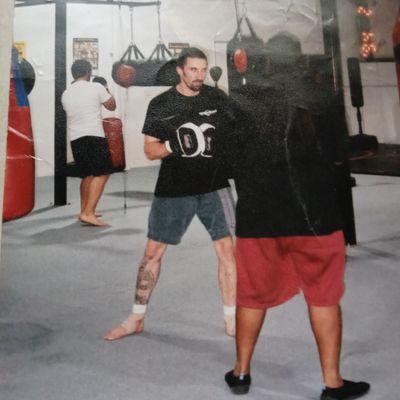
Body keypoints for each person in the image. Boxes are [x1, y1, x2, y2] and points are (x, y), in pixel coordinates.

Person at [222, 48, 370, 400]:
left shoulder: (240, 100)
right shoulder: (323, 98)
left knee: (251, 296)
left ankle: (240, 373)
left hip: (259, 217)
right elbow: (340, 156)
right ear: (300, 61)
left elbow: (228, 161)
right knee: (324, 297)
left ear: (264, 62)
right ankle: (332, 383)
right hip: (315, 217)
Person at [104, 47, 237, 340]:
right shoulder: (162, 104)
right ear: (179, 70)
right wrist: (172, 146)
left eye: (203, 70)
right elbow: (150, 150)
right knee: (153, 253)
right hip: (174, 187)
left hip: (214, 185)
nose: (199, 76)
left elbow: (236, 134)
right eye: (193, 70)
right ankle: (136, 317)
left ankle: (232, 318)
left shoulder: (217, 97)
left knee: (227, 252)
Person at [62, 60, 116, 226]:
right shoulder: (96, 87)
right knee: (103, 173)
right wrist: (105, 87)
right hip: (94, 136)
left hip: (76, 139)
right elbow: (112, 106)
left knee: (87, 175)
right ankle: (88, 213)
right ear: (88, 72)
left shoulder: (66, 93)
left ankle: (84, 211)